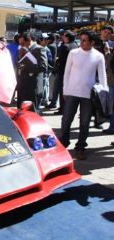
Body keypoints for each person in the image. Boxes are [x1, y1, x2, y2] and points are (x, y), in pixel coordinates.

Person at [59, 30, 107, 160]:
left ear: (92, 42)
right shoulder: (73, 53)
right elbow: (67, 72)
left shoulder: (98, 56)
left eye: (85, 40)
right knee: (66, 120)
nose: (82, 43)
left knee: (85, 123)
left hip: (88, 94)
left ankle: (80, 147)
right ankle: (63, 143)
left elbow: (102, 76)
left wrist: (104, 93)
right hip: (71, 92)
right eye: (81, 40)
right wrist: (65, 89)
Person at [16, 32, 48, 113]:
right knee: (21, 112)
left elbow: (43, 67)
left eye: (22, 43)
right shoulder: (22, 49)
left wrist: (26, 67)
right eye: (19, 44)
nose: (21, 45)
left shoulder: (39, 49)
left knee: (32, 113)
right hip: (22, 85)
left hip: (33, 87)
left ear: (29, 40)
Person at [50, 30, 78, 114]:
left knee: (61, 90)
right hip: (72, 72)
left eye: (64, 36)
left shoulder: (65, 46)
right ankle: (66, 107)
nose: (63, 37)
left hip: (63, 71)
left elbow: (61, 60)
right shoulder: (75, 46)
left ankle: (62, 108)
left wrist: (57, 62)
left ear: (67, 38)